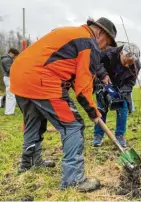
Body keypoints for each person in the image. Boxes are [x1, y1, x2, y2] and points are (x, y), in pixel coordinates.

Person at [10, 17, 117, 191]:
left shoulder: (71, 33)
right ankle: (74, 180)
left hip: (20, 76)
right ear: (100, 33)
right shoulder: (89, 43)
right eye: (107, 43)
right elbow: (83, 88)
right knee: (73, 125)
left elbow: (72, 76)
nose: (105, 48)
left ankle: (28, 163)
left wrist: (91, 108)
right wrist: (93, 112)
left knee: (33, 122)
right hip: (42, 79)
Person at [93, 43, 141, 147]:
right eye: (125, 61)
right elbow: (96, 63)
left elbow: (130, 83)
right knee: (101, 109)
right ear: (121, 53)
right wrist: (103, 75)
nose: (127, 65)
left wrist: (121, 93)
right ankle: (98, 136)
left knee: (123, 109)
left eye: (130, 63)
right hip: (103, 82)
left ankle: (119, 136)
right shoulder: (108, 53)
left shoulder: (137, 65)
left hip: (121, 87)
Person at [1, 48, 19, 115]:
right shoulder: (7, 59)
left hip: (8, 78)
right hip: (8, 78)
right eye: (14, 55)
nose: (14, 57)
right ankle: (9, 112)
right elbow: (9, 70)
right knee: (11, 96)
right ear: (10, 53)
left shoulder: (8, 59)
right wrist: (16, 64)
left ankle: (10, 111)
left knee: (11, 95)